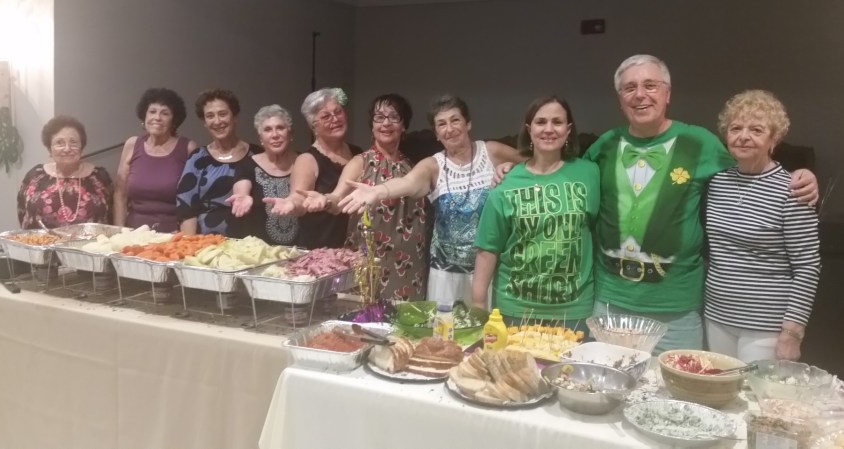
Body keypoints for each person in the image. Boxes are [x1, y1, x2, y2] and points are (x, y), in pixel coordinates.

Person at [581, 54, 818, 352]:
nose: (640, 94)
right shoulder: (603, 146)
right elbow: (568, 178)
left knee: (676, 381)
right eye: (630, 88)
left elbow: (752, 164)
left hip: (676, 311)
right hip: (610, 302)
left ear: (667, 93)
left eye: (650, 85)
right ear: (620, 99)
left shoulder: (700, 143)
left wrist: (802, 175)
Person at [339, 95, 526, 305]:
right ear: (436, 133)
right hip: (446, 275)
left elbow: (536, 165)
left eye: (455, 120)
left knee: (490, 324)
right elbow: (407, 182)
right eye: (441, 124)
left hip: (491, 270)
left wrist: (512, 167)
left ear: (468, 123)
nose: (449, 129)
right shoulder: (432, 165)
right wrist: (377, 192)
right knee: (445, 326)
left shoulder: (492, 151)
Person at [704, 90, 820, 362]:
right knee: (721, 385)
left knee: (758, 389)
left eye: (756, 130)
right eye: (736, 128)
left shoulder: (793, 189)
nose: (744, 136)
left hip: (766, 325)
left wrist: (792, 333)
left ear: (774, 139)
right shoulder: (718, 183)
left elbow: (807, 266)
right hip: (717, 315)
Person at [472, 96, 599, 328]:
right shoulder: (506, 182)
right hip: (515, 310)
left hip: (574, 312)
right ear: (529, 130)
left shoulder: (590, 174)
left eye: (557, 122)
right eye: (541, 122)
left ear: (568, 130)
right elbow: (488, 248)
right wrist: (478, 305)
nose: (549, 129)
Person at [303, 94, 428, 301]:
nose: (386, 123)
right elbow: (337, 198)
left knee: (405, 319)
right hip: (368, 261)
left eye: (394, 117)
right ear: (372, 126)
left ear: (404, 125)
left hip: (408, 264)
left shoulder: (411, 167)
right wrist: (325, 200)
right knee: (365, 316)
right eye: (379, 117)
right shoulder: (359, 162)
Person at [263, 87, 361, 249]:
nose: (335, 119)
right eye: (326, 116)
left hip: (356, 246)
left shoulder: (358, 152)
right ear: (313, 127)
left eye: (338, 112)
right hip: (322, 249)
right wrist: (292, 203)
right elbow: (299, 197)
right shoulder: (307, 160)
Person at [176, 89, 261, 235]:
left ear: (234, 116)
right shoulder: (197, 158)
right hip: (206, 243)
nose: (217, 121)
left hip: (251, 241)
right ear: (204, 122)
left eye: (222, 114)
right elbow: (186, 209)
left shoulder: (257, 155)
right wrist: (191, 245)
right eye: (210, 116)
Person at [114, 88, 198, 232]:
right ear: (144, 116)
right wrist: (118, 231)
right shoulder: (132, 145)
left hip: (174, 236)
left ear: (173, 120)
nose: (157, 117)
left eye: (165, 113)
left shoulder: (188, 148)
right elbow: (120, 194)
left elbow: (194, 201)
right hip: (133, 234)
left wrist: (186, 238)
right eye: (152, 111)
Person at [17, 116, 112, 229]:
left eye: (73, 142)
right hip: (41, 240)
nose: (67, 149)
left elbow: (111, 214)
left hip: (90, 241)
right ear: (50, 149)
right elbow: (22, 212)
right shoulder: (35, 176)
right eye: (59, 143)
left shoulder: (99, 177)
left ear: (82, 147)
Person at [226, 105, 299, 245]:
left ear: (291, 134)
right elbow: (242, 187)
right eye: (267, 130)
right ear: (260, 138)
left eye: (280, 128)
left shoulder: (304, 161)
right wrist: (243, 196)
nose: (275, 135)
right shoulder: (247, 165)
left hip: (300, 249)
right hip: (258, 250)